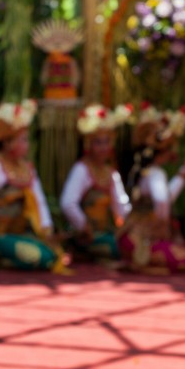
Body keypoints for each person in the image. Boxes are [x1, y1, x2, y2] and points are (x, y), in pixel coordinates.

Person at [0, 99, 65, 272]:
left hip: (19, 233)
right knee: (38, 257)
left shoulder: (26, 168)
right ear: (7, 143)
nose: (27, 145)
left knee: (53, 255)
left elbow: (39, 202)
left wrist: (46, 231)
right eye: (23, 140)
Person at [118, 103, 185, 274]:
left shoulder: (142, 171)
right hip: (144, 240)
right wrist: (162, 224)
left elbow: (164, 198)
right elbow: (162, 201)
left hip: (128, 239)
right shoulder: (155, 174)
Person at [60, 103, 132, 262]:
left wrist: (131, 225)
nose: (103, 147)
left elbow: (121, 207)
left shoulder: (111, 173)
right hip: (85, 235)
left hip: (107, 232)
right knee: (123, 248)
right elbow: (68, 203)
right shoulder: (82, 169)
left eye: (106, 142)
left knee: (132, 244)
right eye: (98, 142)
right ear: (88, 144)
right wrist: (83, 226)